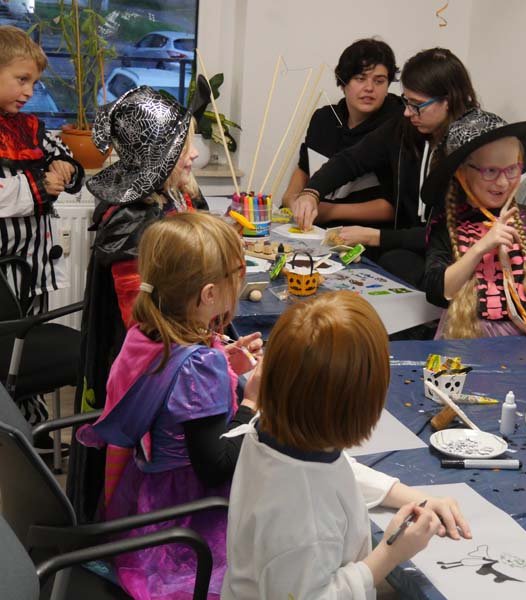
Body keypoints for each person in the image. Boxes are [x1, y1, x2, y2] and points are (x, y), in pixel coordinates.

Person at [223, 291, 472, 599]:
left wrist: (418, 499)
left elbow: (337, 472)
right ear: (363, 403)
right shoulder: (303, 521)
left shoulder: (275, 430)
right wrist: (391, 553)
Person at [67, 83, 241, 524]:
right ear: (156, 156)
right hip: (150, 383)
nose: (194, 155)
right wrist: (213, 358)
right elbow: (154, 329)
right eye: (183, 148)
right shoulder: (135, 224)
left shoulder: (164, 199)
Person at [76, 212, 261, 599]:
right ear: (208, 295)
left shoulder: (147, 331)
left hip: (146, 489)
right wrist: (251, 403)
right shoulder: (200, 367)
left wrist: (225, 363)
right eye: (236, 274)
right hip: (189, 512)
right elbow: (215, 466)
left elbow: (169, 390)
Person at [287, 47, 478, 287]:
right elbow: (351, 160)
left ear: (448, 101)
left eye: (417, 104)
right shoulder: (406, 126)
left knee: (394, 262)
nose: (407, 112)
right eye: (407, 101)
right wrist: (311, 192)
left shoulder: (472, 146)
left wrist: (377, 237)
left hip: (454, 258)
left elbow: (454, 234)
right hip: (410, 247)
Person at [421, 109, 526, 366]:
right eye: (490, 171)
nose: (503, 182)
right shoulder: (447, 227)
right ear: (462, 173)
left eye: (512, 169)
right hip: (466, 347)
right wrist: (480, 248)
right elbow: (437, 291)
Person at [0, 26, 84, 423]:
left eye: (33, 82)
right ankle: (15, 429)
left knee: (26, 353)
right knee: (11, 354)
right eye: (21, 79)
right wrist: (39, 185)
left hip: (32, 266)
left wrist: (65, 167)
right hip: (3, 269)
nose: (29, 91)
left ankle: (32, 424)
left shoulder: (29, 127)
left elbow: (60, 152)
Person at [280, 38, 402, 232]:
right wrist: (291, 198)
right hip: (312, 228)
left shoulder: (397, 123)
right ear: (343, 82)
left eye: (379, 81)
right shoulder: (325, 118)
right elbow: (304, 168)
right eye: (360, 79)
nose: (369, 88)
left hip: (363, 234)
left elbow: (395, 207)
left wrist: (330, 211)